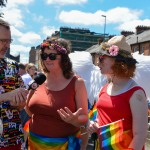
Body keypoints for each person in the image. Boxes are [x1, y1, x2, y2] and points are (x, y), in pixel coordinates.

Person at [25, 38, 88, 150]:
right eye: (44, 56)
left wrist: (74, 120)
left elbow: (84, 117)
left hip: (63, 146)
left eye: (52, 56)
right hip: (34, 143)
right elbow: (30, 111)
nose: (47, 59)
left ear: (63, 58)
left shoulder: (77, 83)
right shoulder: (39, 80)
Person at [86, 35, 148, 150]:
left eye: (102, 58)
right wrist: (93, 123)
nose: (98, 63)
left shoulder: (136, 93)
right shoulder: (103, 89)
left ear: (118, 62)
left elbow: (140, 136)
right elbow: (99, 117)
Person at [0, 18, 28, 149]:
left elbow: (21, 106)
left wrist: (19, 102)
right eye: (2, 41)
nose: (7, 45)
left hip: (13, 139)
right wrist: (7, 96)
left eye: (9, 41)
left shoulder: (13, 66)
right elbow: (8, 96)